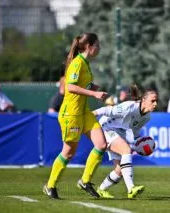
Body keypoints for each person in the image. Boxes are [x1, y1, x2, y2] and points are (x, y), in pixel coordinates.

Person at [43, 32, 108, 199]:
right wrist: (93, 94)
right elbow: (70, 87)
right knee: (69, 152)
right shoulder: (77, 63)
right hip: (71, 113)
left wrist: (93, 87)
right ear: (89, 46)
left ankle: (85, 182)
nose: (99, 48)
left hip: (83, 111)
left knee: (101, 144)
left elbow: (81, 84)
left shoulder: (85, 63)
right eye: (98, 45)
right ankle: (50, 185)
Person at [92, 86, 158, 199]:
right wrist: (89, 115)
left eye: (156, 101)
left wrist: (139, 143)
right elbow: (106, 110)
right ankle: (131, 189)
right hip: (106, 127)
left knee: (120, 170)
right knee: (126, 150)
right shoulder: (129, 106)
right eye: (153, 100)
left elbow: (133, 131)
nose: (155, 103)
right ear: (144, 100)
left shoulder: (147, 117)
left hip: (119, 132)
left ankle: (100, 190)